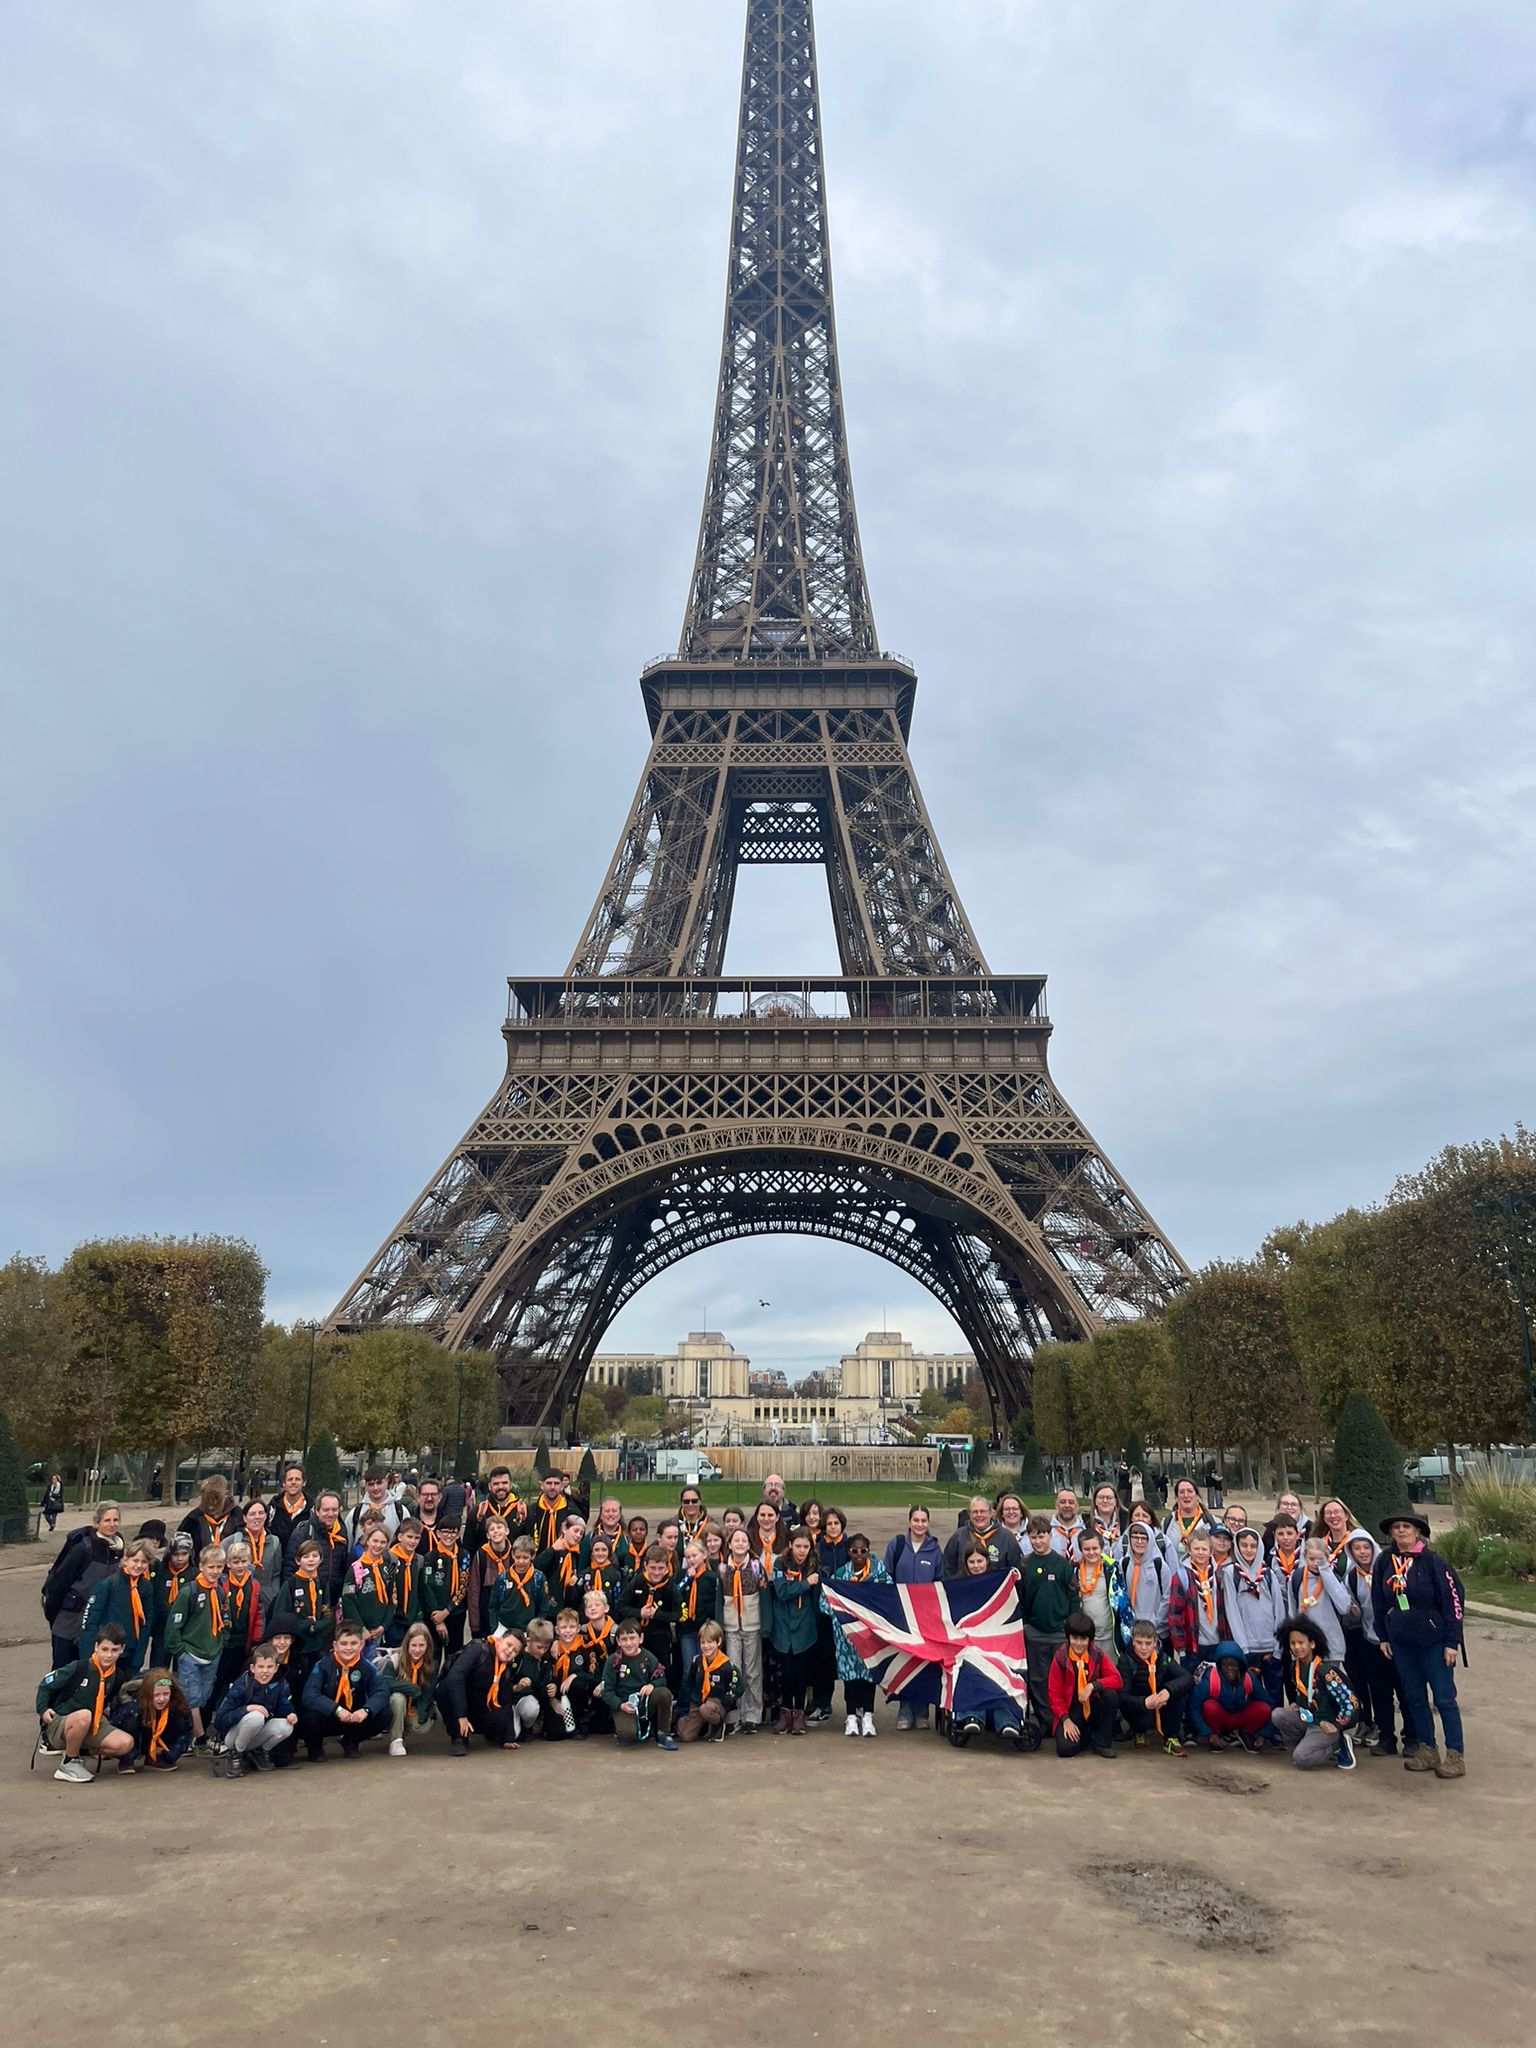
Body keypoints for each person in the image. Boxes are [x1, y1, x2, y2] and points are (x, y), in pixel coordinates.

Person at [1371, 1508, 1466, 1779]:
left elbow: (1454, 1602)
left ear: (1417, 1531)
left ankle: (1455, 1755)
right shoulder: (1385, 1561)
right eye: (1396, 1527)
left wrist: (1452, 1642)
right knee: (1414, 1698)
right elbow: (1378, 1600)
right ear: (1391, 1533)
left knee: (1444, 1699)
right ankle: (1427, 1750)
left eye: (1407, 1526)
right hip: (1402, 1644)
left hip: (1434, 1643)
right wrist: (1384, 1636)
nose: (1401, 1531)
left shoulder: (1433, 1562)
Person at [36, 1623, 136, 1783]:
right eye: (104, 1649)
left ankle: (82, 1749)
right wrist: (43, 1709)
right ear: (96, 1647)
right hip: (62, 1721)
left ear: (122, 1650)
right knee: (84, 1715)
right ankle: (68, 1763)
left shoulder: (118, 1676)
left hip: (93, 1723)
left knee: (125, 1743)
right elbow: (46, 1684)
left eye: (114, 1650)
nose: (109, 1655)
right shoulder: (79, 1667)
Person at [821, 1529, 889, 1739]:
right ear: (849, 1552)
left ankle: (868, 1716)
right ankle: (851, 1716)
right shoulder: (840, 1575)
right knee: (850, 1677)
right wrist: (839, 1619)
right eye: (855, 1551)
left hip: (870, 1636)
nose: (859, 1554)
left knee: (869, 1675)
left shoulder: (879, 1575)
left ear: (868, 1551)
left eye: (863, 1550)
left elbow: (890, 1599)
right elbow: (825, 1602)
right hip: (847, 1637)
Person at [1341, 1528, 1402, 1756]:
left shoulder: (1388, 1569)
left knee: (1404, 1691)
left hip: (1396, 1640)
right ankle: (1387, 1737)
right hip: (1371, 1640)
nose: (1362, 1552)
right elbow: (1355, 1612)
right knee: (1380, 1692)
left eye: (1366, 1547)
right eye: (1356, 1548)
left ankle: (1413, 1736)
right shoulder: (1352, 1577)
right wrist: (1354, 1613)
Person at [41, 1501, 122, 1668]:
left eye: (115, 1520)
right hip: (69, 1621)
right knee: (62, 1671)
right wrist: (54, 1614)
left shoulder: (118, 1547)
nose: (112, 1524)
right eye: (107, 1520)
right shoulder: (83, 1548)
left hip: (96, 1623)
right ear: (97, 1522)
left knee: (87, 1670)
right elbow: (59, 1583)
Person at [1272, 1616, 1360, 1770]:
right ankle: (1310, 1744)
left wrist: (1336, 1725)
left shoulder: (1325, 1672)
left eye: (1301, 1642)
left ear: (1312, 1644)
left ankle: (1337, 1745)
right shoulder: (1294, 1667)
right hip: (1308, 1719)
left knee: (1301, 1759)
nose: (1297, 1647)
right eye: (1293, 1643)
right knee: (1278, 1715)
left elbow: (1351, 1702)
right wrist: (1297, 1706)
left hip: (1324, 1724)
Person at [165, 1542, 231, 1744]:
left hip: (212, 1652)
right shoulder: (189, 1592)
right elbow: (174, 1625)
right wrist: (181, 1651)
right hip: (190, 1653)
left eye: (219, 1567)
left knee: (202, 1697)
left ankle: (190, 1736)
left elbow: (226, 1619)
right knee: (190, 1698)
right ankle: (196, 1738)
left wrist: (221, 1642)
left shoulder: (220, 1592)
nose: (215, 1571)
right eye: (211, 1567)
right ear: (201, 1566)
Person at [1019, 1514, 1077, 1739]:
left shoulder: (1062, 1565)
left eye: (1041, 1536)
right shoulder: (1025, 1564)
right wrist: (1025, 1624)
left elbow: (1073, 1596)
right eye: (1033, 1537)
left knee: (1062, 1679)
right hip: (1034, 1632)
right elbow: (1020, 1597)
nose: (1038, 1541)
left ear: (1050, 1536)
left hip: (1059, 1633)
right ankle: (1045, 1721)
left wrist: (1071, 1627)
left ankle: (1063, 1719)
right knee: (1038, 1679)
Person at [299, 1621, 390, 1760]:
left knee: (384, 1713)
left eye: (353, 1643)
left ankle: (351, 1740)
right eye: (343, 1643)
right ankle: (315, 1749)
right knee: (309, 1716)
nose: (348, 1648)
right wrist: (336, 1710)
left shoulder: (367, 1667)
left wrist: (366, 1710)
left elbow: (381, 1691)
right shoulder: (323, 1665)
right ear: (335, 1645)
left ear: (361, 1644)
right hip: (329, 1716)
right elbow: (309, 1695)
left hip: (354, 1716)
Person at [440, 1627, 538, 1752]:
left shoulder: (505, 1668)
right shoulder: (478, 1649)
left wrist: (507, 1738)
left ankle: (489, 1733)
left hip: (481, 1705)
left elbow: (506, 1700)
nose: (510, 1651)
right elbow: (455, 1677)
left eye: (515, 1651)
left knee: (503, 1718)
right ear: (499, 1641)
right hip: (461, 1698)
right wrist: (461, 1715)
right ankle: (457, 1737)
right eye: (509, 1645)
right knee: (444, 1690)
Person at [1222, 1525, 1285, 1706]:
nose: (1249, 1550)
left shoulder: (1268, 1574)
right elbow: (1232, 1611)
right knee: (1250, 1695)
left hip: (1270, 1646)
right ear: (1237, 1547)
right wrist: (1242, 1646)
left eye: (1253, 1546)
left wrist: (1278, 1644)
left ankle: (1274, 1723)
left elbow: (1279, 1610)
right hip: (1248, 1647)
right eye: (1244, 1545)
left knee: (1274, 1694)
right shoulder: (1231, 1573)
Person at [766, 1529, 821, 1734]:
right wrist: (806, 1583)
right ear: (790, 1545)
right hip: (783, 1625)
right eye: (798, 1546)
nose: (802, 1550)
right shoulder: (780, 1564)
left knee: (801, 1673)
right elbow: (781, 1592)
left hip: (804, 1626)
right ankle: (785, 1712)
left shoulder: (814, 1565)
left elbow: (818, 1597)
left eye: (806, 1547)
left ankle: (799, 1713)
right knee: (786, 1672)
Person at [214, 1644, 297, 1776]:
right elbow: (220, 1719)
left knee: (287, 1726)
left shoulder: (281, 1685)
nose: (265, 1671)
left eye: (269, 1667)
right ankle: (236, 1754)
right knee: (256, 1716)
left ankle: (261, 1751)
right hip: (233, 1736)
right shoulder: (242, 1685)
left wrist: (291, 1715)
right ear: (253, 1668)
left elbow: (285, 1709)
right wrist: (247, 1709)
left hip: (257, 1734)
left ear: (276, 1668)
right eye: (261, 1667)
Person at [1047, 1611, 1122, 1758]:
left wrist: (1093, 1686)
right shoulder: (1060, 1658)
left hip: (1093, 1706)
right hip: (1071, 1710)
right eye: (1075, 1638)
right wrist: (1065, 1719)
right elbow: (1053, 1693)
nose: (1079, 1643)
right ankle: (1087, 1736)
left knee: (1111, 1695)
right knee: (1065, 1749)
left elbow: (1117, 1679)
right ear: (1068, 1637)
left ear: (1090, 1639)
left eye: (1083, 1639)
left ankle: (1101, 1743)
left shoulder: (1098, 1655)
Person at [79, 1538, 160, 1673]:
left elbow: (146, 1624)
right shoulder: (108, 1584)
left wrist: (138, 1658)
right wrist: (88, 1658)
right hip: (106, 1652)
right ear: (125, 1560)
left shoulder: (146, 1588)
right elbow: (89, 1622)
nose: (139, 1565)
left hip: (129, 1654)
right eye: (135, 1560)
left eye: (144, 1562)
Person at [1115, 1618, 1192, 1755]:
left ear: (1155, 1642)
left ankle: (1171, 1737)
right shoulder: (1125, 1661)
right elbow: (1122, 1697)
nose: (1144, 1648)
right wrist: (1144, 1702)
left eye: (1148, 1643)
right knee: (1131, 1706)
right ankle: (1138, 1732)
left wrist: (1168, 1691)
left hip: (1160, 1704)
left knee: (1178, 1693)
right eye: (1139, 1643)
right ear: (1132, 1641)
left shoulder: (1162, 1658)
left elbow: (1187, 1678)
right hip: (1139, 1708)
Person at [599, 1619, 678, 1749]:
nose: (628, 1643)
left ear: (641, 1639)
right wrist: (620, 1705)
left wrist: (652, 1685)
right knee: (627, 1737)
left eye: (632, 1638)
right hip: (624, 1705)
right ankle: (622, 1727)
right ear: (618, 1641)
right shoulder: (613, 1661)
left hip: (644, 1702)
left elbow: (662, 1678)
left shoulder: (648, 1657)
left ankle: (663, 1733)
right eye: (624, 1639)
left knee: (664, 1693)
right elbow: (606, 1691)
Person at [719, 1527, 767, 1735]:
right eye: (736, 1540)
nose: (739, 1543)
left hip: (752, 1625)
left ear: (749, 1545)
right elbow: (719, 1600)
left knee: (753, 1672)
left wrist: (766, 1624)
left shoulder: (756, 1567)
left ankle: (752, 1715)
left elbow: (764, 1597)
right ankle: (733, 1715)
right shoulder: (723, 1569)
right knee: (734, 1671)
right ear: (729, 1545)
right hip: (731, 1626)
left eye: (743, 1540)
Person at [1188, 1641, 1276, 1752]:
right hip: (1220, 1718)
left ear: (1240, 1665)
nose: (1230, 1668)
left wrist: (1264, 1735)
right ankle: (1216, 1736)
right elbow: (1194, 1706)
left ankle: (1247, 1733)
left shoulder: (1249, 1678)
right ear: (1219, 1666)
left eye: (1234, 1664)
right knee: (1209, 1706)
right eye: (1225, 1664)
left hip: (1240, 1716)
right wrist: (1208, 1733)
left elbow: (1270, 1705)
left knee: (1264, 1708)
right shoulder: (1210, 1680)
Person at [268, 1538, 334, 1677]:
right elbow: (280, 1617)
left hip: (317, 1644)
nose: (311, 1560)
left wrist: (317, 1626)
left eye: (315, 1556)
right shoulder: (291, 1585)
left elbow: (327, 1612)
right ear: (298, 1561)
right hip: (298, 1647)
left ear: (321, 1559)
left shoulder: (322, 1583)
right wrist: (306, 1625)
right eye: (306, 1556)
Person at [1283, 1533, 1353, 1660]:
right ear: (1305, 1557)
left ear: (1327, 1557)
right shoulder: (1296, 1577)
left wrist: (1326, 1573)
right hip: (1304, 1646)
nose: (1316, 1563)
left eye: (1320, 1559)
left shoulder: (1334, 1578)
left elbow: (1344, 1607)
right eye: (1312, 1559)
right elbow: (1292, 1611)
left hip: (1331, 1645)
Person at [116, 1665, 195, 1772]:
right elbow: (116, 1726)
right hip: (137, 1735)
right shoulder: (131, 1703)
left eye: (166, 1694)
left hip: (161, 1736)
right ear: (148, 1693)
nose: (161, 1699)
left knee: (179, 1722)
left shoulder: (179, 1704)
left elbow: (186, 1732)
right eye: (156, 1695)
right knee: (130, 1719)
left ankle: (155, 1758)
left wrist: (170, 1754)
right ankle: (127, 1759)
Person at [676, 1618, 740, 1743]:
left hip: (715, 1704)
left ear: (719, 1642)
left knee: (707, 1709)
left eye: (710, 1642)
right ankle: (702, 1725)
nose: (706, 1646)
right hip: (698, 1702)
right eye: (703, 1643)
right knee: (684, 1735)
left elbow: (739, 1686)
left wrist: (726, 1702)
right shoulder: (697, 1662)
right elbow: (689, 1683)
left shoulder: (726, 1665)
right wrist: (690, 1701)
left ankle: (718, 1724)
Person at [382, 1619, 440, 1756]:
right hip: (391, 1705)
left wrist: (423, 1712)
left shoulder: (432, 1664)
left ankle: (404, 1727)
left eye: (422, 1645)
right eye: (413, 1645)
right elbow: (385, 1683)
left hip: (412, 1705)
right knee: (398, 1698)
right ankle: (396, 1740)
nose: (417, 1650)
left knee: (421, 1726)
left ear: (428, 1646)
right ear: (407, 1644)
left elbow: (429, 1692)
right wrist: (412, 1688)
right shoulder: (395, 1659)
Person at [341, 1525, 401, 1656]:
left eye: (383, 1542)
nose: (378, 1545)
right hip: (359, 1632)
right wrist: (361, 1628)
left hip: (379, 1630)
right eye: (375, 1541)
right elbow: (348, 1602)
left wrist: (383, 1626)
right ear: (367, 1540)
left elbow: (392, 1599)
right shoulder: (356, 1569)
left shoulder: (387, 1567)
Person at [283, 1490, 351, 1603]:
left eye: (334, 1510)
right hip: (307, 1598)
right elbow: (289, 1567)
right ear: (317, 1511)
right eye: (326, 1510)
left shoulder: (342, 1532)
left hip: (334, 1599)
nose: (331, 1514)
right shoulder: (304, 1532)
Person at [545, 1607, 600, 1738]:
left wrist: (575, 1675)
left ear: (578, 1628)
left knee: (578, 1683)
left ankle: (580, 1719)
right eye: (564, 1627)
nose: (568, 1631)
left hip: (578, 1697)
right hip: (557, 1697)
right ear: (557, 1630)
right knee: (554, 1734)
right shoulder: (551, 1649)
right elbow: (544, 1677)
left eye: (572, 1627)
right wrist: (552, 1700)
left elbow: (595, 1677)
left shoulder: (586, 1648)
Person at [420, 1516, 470, 1655]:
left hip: (456, 1612)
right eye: (445, 1531)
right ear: (438, 1533)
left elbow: (463, 1586)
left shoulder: (464, 1555)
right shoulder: (430, 1557)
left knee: (454, 1655)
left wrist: (447, 1611)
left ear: (458, 1535)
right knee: (432, 1655)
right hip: (434, 1614)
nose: (449, 1536)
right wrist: (437, 1618)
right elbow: (427, 1587)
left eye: (453, 1532)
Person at [1116, 1519, 1171, 1644]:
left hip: (1157, 1630)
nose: (1139, 1542)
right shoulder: (1124, 1564)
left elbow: (1167, 1597)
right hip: (1132, 1630)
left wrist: (1156, 1622)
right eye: (1135, 1537)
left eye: (1144, 1538)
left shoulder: (1159, 1566)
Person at [676, 1538, 722, 1682]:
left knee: (706, 1667)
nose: (691, 1560)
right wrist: (687, 1579)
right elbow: (675, 1594)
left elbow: (715, 1604)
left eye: (694, 1555)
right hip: (686, 1629)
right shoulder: (682, 1575)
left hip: (705, 1629)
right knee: (688, 1668)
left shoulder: (712, 1577)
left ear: (704, 1555)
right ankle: (688, 1696)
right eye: (688, 1557)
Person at [944, 1496, 1024, 1576]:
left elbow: (1016, 1570)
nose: (979, 1515)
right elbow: (948, 1567)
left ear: (990, 1513)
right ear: (969, 1514)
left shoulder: (1007, 1537)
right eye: (975, 1512)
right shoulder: (959, 1536)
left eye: (982, 1511)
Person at [465, 1517, 517, 1637]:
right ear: (488, 1535)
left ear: (507, 1531)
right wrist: (474, 1624)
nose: (496, 1531)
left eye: (499, 1527)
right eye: (492, 1529)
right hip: (486, 1615)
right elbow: (473, 1590)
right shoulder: (481, 1556)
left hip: (510, 1613)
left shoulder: (514, 1555)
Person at [178, 1475, 238, 1556]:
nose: (212, 1503)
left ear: (225, 1495)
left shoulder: (237, 1515)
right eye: (208, 1498)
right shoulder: (193, 1518)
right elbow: (179, 1544)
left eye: (216, 1498)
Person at [1162, 1478, 1214, 1564]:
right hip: (1174, 1572)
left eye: (1190, 1491)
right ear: (1177, 1498)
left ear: (1197, 1496)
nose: (1186, 1495)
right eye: (1181, 1492)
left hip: (1202, 1571)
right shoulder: (1167, 1522)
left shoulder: (1212, 1522)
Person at [346, 1468, 403, 1546]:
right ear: (366, 1485)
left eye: (379, 1483)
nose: (375, 1488)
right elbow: (348, 1543)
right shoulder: (355, 1513)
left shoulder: (400, 1511)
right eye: (371, 1484)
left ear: (386, 1481)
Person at [266, 1462, 311, 1554]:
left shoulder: (312, 1510)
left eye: (297, 1479)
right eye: (290, 1479)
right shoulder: (272, 1509)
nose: (293, 1482)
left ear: (304, 1482)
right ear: (284, 1483)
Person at [1315, 1496, 1358, 1570]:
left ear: (1346, 1516)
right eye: (1328, 1513)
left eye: (1337, 1512)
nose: (1333, 1516)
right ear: (1324, 1518)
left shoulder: (1358, 1541)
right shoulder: (1318, 1544)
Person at [1048, 1490, 1085, 1563]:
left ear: (1077, 1506)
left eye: (1071, 1502)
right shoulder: (1046, 1532)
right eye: (1062, 1502)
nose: (1067, 1505)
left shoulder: (1086, 1530)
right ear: (1056, 1505)